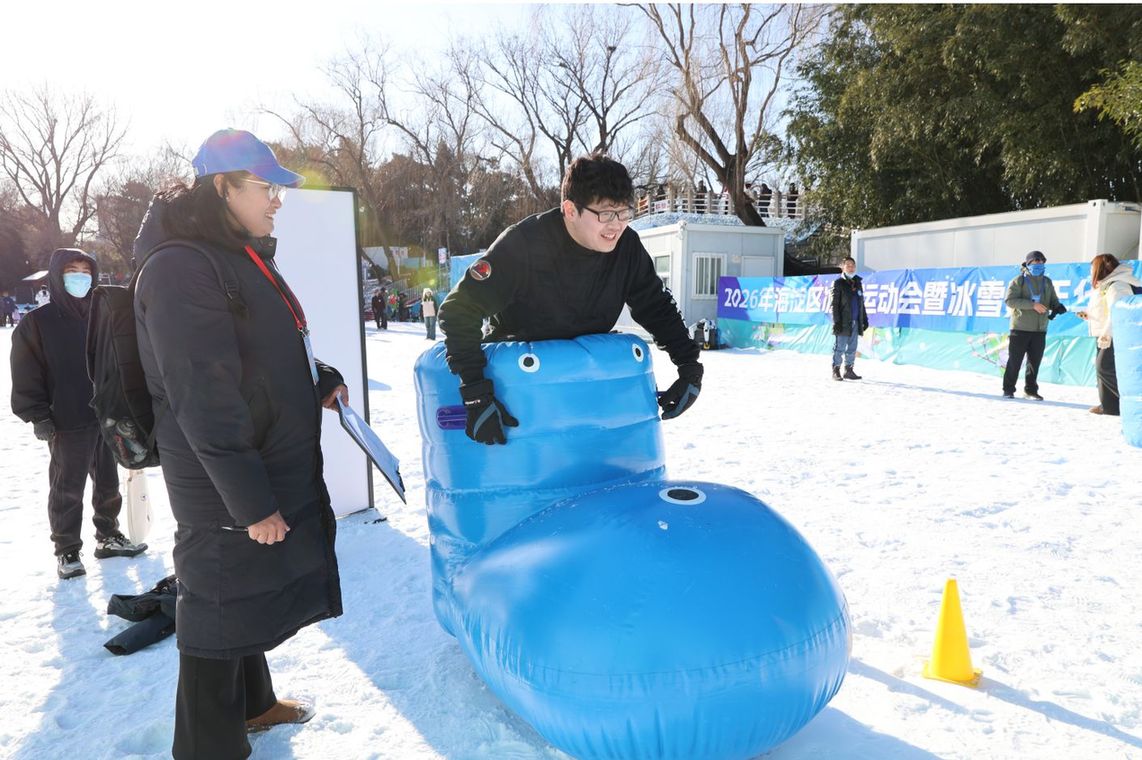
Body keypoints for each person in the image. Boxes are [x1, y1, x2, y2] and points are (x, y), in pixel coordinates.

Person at [131, 128, 346, 759]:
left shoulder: (232, 252)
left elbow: (262, 353)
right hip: (219, 472)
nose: (277, 200)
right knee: (215, 606)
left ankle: (253, 706)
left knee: (241, 594)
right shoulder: (179, 266)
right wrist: (250, 502)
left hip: (249, 456)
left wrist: (318, 380)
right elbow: (203, 394)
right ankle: (205, 747)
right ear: (221, 187)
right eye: (266, 187)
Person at [438, 152, 703, 445]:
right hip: (518, 394)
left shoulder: (626, 247)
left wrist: (689, 367)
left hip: (584, 389)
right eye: (605, 214)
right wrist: (475, 392)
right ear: (570, 210)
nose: (616, 225)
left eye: (624, 213)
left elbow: (656, 306)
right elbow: (458, 311)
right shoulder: (523, 244)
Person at [10, 248, 146, 579]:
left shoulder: (104, 318)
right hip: (65, 419)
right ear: (58, 275)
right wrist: (37, 415)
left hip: (107, 416)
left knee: (108, 484)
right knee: (67, 488)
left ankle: (109, 536)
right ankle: (68, 549)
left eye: (86, 271)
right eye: (72, 270)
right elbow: (26, 373)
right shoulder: (37, 324)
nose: (80, 277)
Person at [1076, 253, 1142, 415]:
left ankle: (1134, 404)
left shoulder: (1117, 285)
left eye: (1092, 268)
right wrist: (1089, 316)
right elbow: (1104, 310)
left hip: (1115, 334)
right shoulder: (1106, 285)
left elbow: (1117, 312)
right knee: (1102, 370)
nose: (1091, 272)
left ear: (1101, 269)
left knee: (1104, 367)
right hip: (1104, 334)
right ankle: (1110, 406)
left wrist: (1108, 334)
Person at [1003, 250, 1064, 400]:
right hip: (1020, 328)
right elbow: (1010, 300)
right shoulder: (1019, 280)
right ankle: (1008, 389)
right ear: (1028, 264)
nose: (1038, 264)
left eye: (1041, 262)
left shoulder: (1047, 282)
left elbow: (1052, 300)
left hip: (1040, 329)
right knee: (1015, 361)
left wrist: (1057, 306)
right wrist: (1032, 305)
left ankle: (1030, 390)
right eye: (1035, 262)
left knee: (1034, 362)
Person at [830, 257, 869, 381]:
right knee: (840, 347)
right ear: (843, 267)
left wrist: (864, 319)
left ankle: (849, 370)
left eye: (853, 265)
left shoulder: (857, 282)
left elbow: (861, 303)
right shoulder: (838, 283)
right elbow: (834, 304)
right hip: (843, 321)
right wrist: (836, 322)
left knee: (852, 347)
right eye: (848, 265)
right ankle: (836, 369)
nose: (851, 267)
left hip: (856, 321)